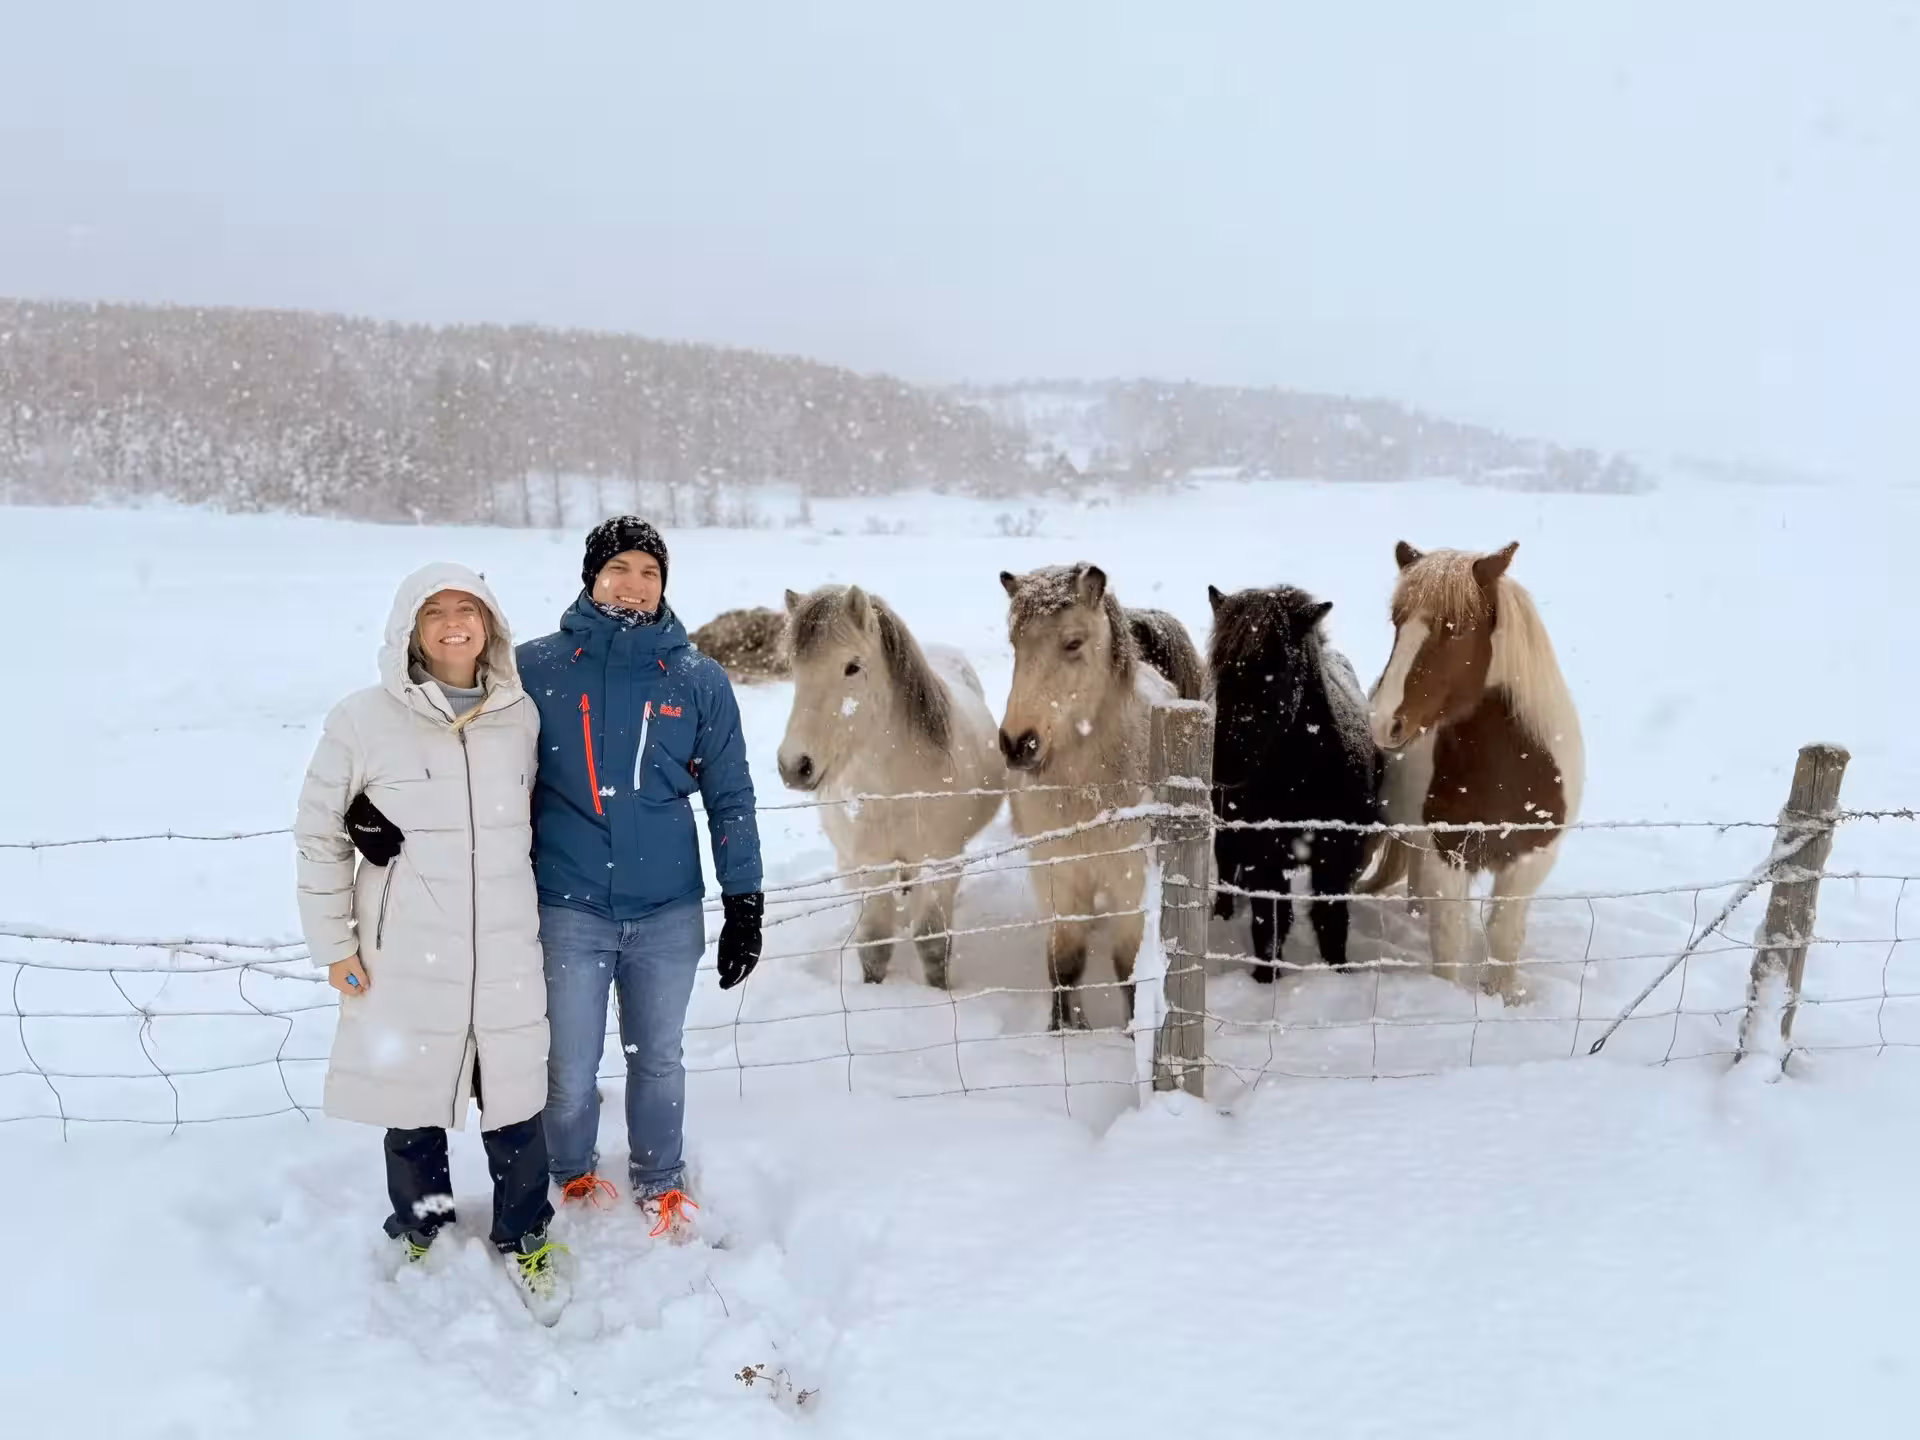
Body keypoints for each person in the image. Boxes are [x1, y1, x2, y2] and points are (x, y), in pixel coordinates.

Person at [294, 563, 569, 1325]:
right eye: (434, 613)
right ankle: (425, 1224)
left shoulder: (520, 715)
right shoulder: (362, 719)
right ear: (407, 630)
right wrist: (336, 946)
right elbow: (318, 834)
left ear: (491, 625)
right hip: (409, 948)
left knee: (514, 1100)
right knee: (412, 1101)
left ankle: (525, 1232)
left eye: (468, 610)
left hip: (507, 942)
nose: (454, 625)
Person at [517, 517, 764, 1238]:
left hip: (666, 908)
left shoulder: (697, 679)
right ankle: (571, 1173)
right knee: (569, 1063)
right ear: (592, 577)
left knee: (659, 1057)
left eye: (649, 572)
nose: (634, 584)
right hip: (568, 902)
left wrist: (743, 899)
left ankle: (660, 1178)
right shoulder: (535, 670)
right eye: (619, 568)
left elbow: (731, 794)